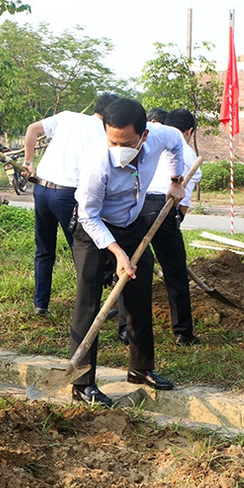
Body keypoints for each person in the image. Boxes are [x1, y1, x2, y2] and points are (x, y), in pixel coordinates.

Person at [71, 97, 184, 407]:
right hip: (94, 230)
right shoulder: (96, 163)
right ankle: (82, 383)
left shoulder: (159, 136)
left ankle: (141, 369)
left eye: (127, 143)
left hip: (132, 225)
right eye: (113, 142)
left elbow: (177, 142)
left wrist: (176, 181)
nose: (119, 149)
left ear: (144, 135)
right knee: (88, 302)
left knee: (139, 295)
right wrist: (118, 254)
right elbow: (89, 216)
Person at [22, 92, 119, 315]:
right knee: (84, 253)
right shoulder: (104, 134)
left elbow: (32, 129)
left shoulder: (68, 117)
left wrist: (29, 162)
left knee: (44, 249)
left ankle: (40, 304)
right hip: (68, 196)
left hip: (42, 189)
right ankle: (89, 309)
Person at [116, 109, 202, 346]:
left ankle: (126, 329)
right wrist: (175, 220)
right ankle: (183, 332)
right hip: (162, 206)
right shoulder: (185, 151)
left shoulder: (149, 140)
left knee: (130, 266)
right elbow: (183, 199)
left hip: (135, 204)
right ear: (189, 132)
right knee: (175, 271)